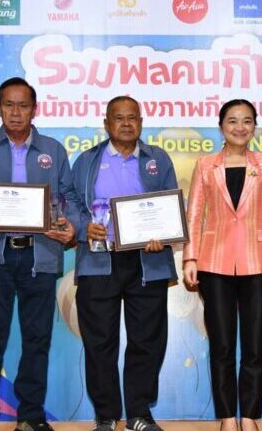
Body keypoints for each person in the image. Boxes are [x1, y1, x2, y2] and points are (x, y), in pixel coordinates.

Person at [0, 77, 79, 431]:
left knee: (37, 340)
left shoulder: (53, 150)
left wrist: (69, 222)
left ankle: (31, 416)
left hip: (40, 256)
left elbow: (68, 196)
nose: (15, 112)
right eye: (8, 104)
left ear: (35, 109)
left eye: (23, 105)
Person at [69, 96, 178, 431]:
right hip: (99, 259)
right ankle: (106, 415)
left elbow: (171, 204)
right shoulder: (87, 160)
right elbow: (69, 201)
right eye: (119, 118)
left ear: (141, 123)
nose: (126, 123)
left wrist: (163, 234)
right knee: (99, 341)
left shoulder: (158, 159)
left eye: (133, 117)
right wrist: (83, 226)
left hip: (148, 260)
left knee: (148, 339)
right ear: (107, 124)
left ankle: (138, 414)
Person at [182, 99, 262, 431]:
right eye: (232, 121)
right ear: (221, 126)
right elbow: (194, 215)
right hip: (214, 263)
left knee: (254, 345)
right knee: (222, 346)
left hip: (258, 263)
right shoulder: (205, 164)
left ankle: (250, 416)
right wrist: (190, 257)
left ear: (254, 126)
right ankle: (227, 417)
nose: (240, 127)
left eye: (247, 121)